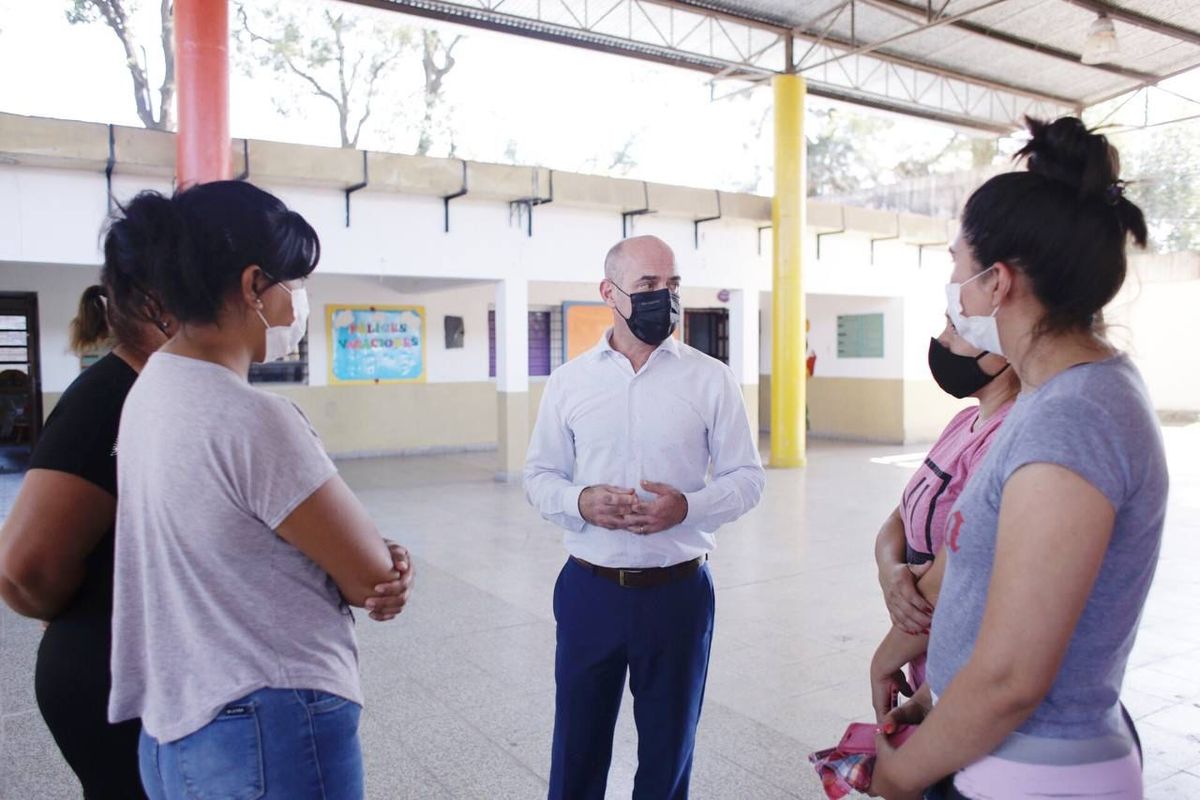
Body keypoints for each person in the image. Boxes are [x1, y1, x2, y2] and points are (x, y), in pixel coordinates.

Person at [869, 117, 1167, 800]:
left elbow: (1012, 679)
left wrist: (901, 774)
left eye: (957, 263)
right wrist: (941, 699)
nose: (953, 285)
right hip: (999, 754)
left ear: (997, 281)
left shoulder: (1074, 419)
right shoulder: (1054, 395)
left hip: (1035, 775)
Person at [105, 182, 414, 800]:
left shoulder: (151, 390)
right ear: (253, 285)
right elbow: (368, 577)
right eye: (294, 283)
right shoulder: (252, 417)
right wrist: (384, 562)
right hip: (266, 723)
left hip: (177, 725)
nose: (299, 301)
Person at [524, 235, 765, 800]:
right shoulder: (569, 382)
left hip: (678, 596)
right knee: (577, 747)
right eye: (648, 285)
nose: (666, 297)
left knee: (668, 750)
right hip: (590, 591)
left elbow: (747, 478)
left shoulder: (711, 379)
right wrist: (580, 502)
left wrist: (687, 507)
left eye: (673, 284)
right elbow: (539, 476)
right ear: (609, 292)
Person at [0, 277, 171, 798]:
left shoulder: (160, 392)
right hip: (106, 677)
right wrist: (81, 610)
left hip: (148, 671)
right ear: (161, 308)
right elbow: (21, 572)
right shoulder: (109, 398)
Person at [868, 318, 1019, 720]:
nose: (942, 339)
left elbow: (959, 572)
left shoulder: (1008, 435)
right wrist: (890, 570)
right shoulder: (964, 421)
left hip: (963, 664)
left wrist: (883, 660)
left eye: (959, 329)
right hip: (924, 655)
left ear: (1006, 352)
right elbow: (902, 513)